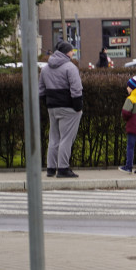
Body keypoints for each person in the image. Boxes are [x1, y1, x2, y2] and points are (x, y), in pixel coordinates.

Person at [39, 40, 83, 178]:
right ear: (66, 52)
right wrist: (78, 107)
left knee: (54, 138)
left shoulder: (45, 69)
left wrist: (47, 104)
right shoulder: (70, 67)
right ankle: (63, 168)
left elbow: (41, 91)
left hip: (52, 107)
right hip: (68, 107)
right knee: (66, 138)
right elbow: (76, 89)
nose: (72, 53)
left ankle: (51, 168)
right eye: (71, 51)